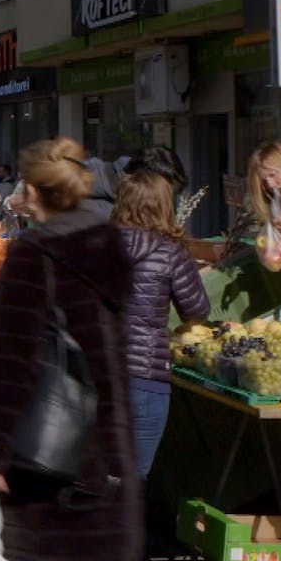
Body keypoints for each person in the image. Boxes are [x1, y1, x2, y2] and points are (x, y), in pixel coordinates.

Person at [0, 138, 143, 561]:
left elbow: (11, 365)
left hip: (45, 455)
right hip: (99, 444)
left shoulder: (35, 257)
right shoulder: (106, 249)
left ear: (31, 190)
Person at [112, 170, 210, 479]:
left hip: (95, 373)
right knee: (132, 481)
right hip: (144, 376)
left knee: (96, 477)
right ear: (163, 205)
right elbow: (197, 310)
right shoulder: (170, 254)